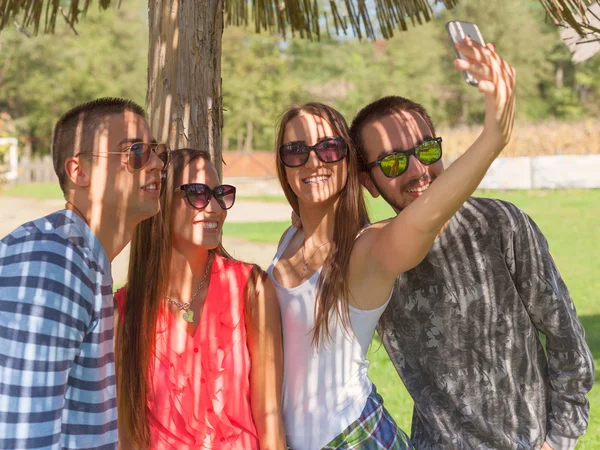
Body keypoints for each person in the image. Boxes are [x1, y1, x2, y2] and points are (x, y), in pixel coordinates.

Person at [268, 38, 515, 449]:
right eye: (296, 150)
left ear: (349, 163)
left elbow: (424, 219)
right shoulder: (290, 237)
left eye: (329, 148)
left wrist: (493, 138)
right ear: (283, 164)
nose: (313, 161)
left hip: (352, 437)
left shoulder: (367, 250)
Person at [348, 73, 595, 450]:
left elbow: (566, 339)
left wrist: (558, 440)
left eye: (427, 151)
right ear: (368, 182)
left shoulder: (500, 224)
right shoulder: (370, 260)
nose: (417, 171)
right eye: (394, 163)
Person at [0, 98, 167, 449]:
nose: (156, 164)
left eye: (155, 151)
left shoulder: (77, 258)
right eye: (135, 152)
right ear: (79, 172)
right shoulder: (51, 265)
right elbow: (21, 436)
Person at [114, 148, 286, 450]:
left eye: (220, 194)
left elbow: (269, 416)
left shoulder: (251, 289)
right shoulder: (125, 310)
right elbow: (126, 431)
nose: (214, 208)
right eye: (196, 193)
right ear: (160, 202)